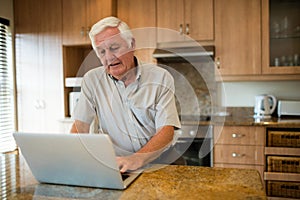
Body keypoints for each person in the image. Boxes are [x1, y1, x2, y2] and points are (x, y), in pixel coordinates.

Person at [70, 16, 181, 173]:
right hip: (117, 166)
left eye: (114, 48)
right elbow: (80, 126)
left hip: (158, 163)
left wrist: (136, 159)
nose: (109, 57)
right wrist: (70, 159)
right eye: (101, 51)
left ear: (132, 44)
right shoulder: (91, 80)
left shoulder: (160, 77)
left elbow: (166, 130)